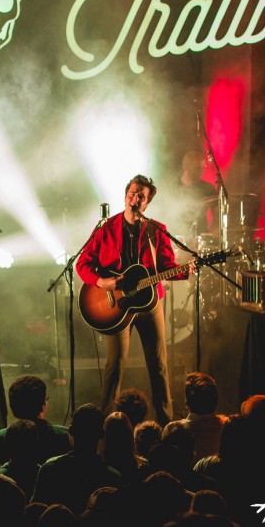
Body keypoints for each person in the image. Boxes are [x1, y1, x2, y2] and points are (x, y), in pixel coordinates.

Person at [75, 175, 189, 425]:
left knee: (159, 365)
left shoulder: (156, 229)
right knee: (115, 366)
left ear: (146, 204)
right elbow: (82, 264)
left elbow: (167, 266)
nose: (136, 198)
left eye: (142, 196)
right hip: (116, 306)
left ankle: (166, 423)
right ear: (126, 194)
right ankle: (106, 426)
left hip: (149, 303)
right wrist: (101, 282)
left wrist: (187, 270)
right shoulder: (106, 228)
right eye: (133, 192)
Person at [176, 150, 217, 237]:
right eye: (197, 168)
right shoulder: (173, 187)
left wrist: (214, 231)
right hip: (177, 238)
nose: (201, 171)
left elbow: (218, 213)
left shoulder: (208, 188)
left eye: (203, 167)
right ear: (185, 167)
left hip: (202, 240)